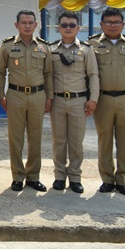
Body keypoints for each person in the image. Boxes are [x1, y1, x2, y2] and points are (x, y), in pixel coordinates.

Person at [89, 8, 125, 196]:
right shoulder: (92, 44)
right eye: (108, 22)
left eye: (116, 22)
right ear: (101, 24)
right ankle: (107, 179)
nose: (112, 25)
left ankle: (122, 180)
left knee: (124, 141)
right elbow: (87, 73)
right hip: (103, 99)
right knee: (104, 140)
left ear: (123, 24)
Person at [0, 9, 53, 192]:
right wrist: (1, 95)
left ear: (36, 25)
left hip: (38, 96)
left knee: (35, 138)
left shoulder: (44, 47)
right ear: (17, 25)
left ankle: (33, 176)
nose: (27, 26)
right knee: (16, 138)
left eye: (31, 22)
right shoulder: (7, 46)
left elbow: (48, 73)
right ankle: (18, 177)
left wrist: (49, 96)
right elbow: (0, 71)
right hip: (16, 96)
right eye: (24, 22)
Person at [49, 12, 100, 194]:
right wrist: (48, 98)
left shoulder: (87, 50)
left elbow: (93, 75)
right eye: (64, 25)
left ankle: (76, 178)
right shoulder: (51, 49)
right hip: (58, 101)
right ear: (59, 28)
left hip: (79, 101)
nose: (68, 28)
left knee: (76, 142)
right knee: (59, 141)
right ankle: (60, 177)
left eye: (72, 25)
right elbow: (48, 75)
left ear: (78, 28)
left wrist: (93, 99)